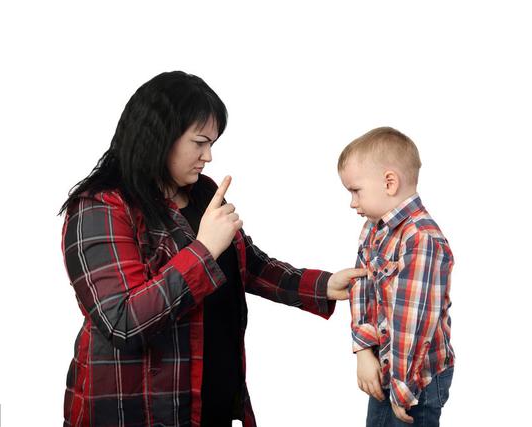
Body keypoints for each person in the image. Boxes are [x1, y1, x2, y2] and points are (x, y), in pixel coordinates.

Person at [57, 71, 366, 427]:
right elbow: (123, 322)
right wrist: (203, 248)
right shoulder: (101, 207)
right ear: (160, 138)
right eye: (200, 142)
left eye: (213, 144)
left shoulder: (203, 191)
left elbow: (246, 264)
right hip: (138, 412)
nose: (208, 157)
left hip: (209, 406)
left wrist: (322, 285)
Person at [337, 127, 455, 426]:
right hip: (386, 367)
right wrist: (364, 351)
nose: (352, 202)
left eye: (355, 191)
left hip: (416, 378)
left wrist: (403, 389)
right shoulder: (373, 229)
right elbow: (360, 287)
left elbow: (413, 323)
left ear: (389, 182)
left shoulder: (421, 240)